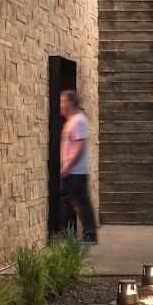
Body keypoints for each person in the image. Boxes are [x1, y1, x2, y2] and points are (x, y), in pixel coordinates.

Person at [57, 89, 98, 243]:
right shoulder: (71, 122)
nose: (60, 104)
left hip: (75, 172)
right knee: (71, 203)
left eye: (62, 101)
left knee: (75, 202)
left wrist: (67, 166)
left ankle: (87, 234)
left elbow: (80, 146)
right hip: (73, 171)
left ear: (71, 103)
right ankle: (76, 234)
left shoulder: (78, 121)